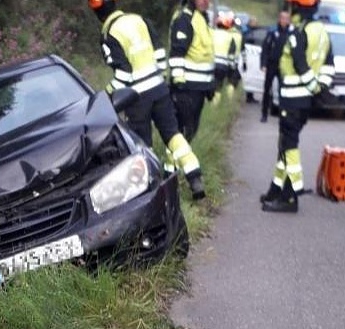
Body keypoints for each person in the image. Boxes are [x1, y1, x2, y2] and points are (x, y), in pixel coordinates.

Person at [89, 0, 206, 200]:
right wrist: (156, 78)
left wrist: (104, 97)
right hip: (159, 89)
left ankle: (154, 193)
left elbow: (123, 77)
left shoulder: (109, 34)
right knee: (173, 135)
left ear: (97, 13)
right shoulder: (138, 19)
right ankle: (195, 178)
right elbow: (160, 54)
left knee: (143, 145)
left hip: (136, 98)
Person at [260, 0, 335, 213]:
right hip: (304, 103)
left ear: (297, 10)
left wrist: (312, 86)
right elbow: (329, 64)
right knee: (285, 146)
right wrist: (320, 88)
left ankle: (290, 197)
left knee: (288, 147)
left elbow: (299, 63)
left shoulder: (299, 34)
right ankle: (276, 189)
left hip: (292, 100)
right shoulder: (322, 32)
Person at [168, 0, 215, 143]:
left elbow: (204, 54)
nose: (205, 2)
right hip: (186, 88)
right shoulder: (184, 19)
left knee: (191, 131)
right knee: (183, 132)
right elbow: (177, 54)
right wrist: (179, 83)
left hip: (199, 88)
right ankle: (174, 164)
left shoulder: (202, 18)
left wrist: (209, 85)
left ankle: (182, 163)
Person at [259, 9, 291, 123]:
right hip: (272, 64)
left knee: (284, 91)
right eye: (282, 18)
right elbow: (265, 49)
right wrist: (263, 64)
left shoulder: (290, 33)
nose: (284, 20)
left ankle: (283, 115)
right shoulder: (272, 32)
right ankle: (264, 114)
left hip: (284, 66)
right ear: (279, 19)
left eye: (286, 19)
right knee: (267, 89)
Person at [212, 15, 236, 91]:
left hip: (210, 63)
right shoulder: (230, 37)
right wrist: (232, 68)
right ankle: (216, 101)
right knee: (218, 87)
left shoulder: (211, 33)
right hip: (222, 66)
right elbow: (231, 55)